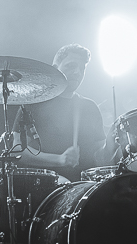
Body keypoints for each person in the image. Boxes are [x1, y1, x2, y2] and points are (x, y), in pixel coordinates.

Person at [11, 44, 107, 181]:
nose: (77, 72)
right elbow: (17, 150)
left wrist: (115, 145)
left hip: (86, 185)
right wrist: (59, 160)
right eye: (71, 66)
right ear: (56, 68)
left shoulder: (90, 107)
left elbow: (101, 155)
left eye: (82, 68)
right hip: (45, 184)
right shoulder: (34, 103)